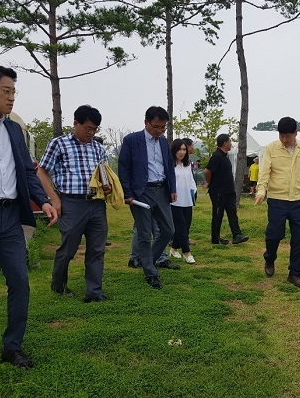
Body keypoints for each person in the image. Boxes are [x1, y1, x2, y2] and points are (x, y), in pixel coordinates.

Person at [0, 64, 57, 369]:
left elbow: (27, 172)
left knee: (20, 281)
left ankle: (12, 346)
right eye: (6, 91)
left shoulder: (14, 130)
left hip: (8, 218)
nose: (12, 97)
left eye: (14, 92)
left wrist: (42, 202)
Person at [37, 105, 112, 302]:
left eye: (95, 129)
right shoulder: (59, 144)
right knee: (68, 248)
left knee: (97, 249)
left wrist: (107, 186)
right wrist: (54, 199)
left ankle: (94, 292)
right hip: (70, 203)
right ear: (76, 124)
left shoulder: (98, 148)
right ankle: (59, 284)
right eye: (88, 128)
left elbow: (104, 173)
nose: (91, 132)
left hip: (96, 204)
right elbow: (41, 172)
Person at [118, 106, 177, 289]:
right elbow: (124, 167)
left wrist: (172, 188)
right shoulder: (132, 140)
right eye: (156, 126)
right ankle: (151, 273)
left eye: (163, 127)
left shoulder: (163, 142)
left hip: (161, 190)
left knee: (168, 230)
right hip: (141, 192)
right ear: (146, 122)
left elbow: (169, 167)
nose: (159, 131)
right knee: (144, 234)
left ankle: (147, 261)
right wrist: (127, 193)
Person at [254, 117, 300, 288]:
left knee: (299, 238)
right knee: (274, 235)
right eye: (281, 135)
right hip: (277, 199)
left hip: (297, 200)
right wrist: (261, 191)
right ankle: (270, 258)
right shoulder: (271, 148)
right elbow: (264, 172)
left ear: (296, 133)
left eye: (287, 136)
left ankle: (295, 273)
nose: (284, 139)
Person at [204, 134, 249, 245]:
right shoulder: (217, 156)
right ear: (224, 143)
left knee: (232, 213)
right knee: (218, 214)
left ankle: (237, 235)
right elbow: (207, 171)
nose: (231, 143)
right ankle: (215, 238)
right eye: (230, 141)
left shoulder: (225, 156)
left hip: (228, 191)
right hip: (218, 191)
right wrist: (209, 182)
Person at [169, 138, 196, 264]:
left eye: (184, 149)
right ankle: (187, 252)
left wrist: (193, 192)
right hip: (175, 201)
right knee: (181, 227)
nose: (182, 152)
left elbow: (191, 181)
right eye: (179, 149)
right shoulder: (170, 165)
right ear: (174, 150)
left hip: (187, 200)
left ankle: (174, 249)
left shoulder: (187, 165)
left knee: (186, 226)